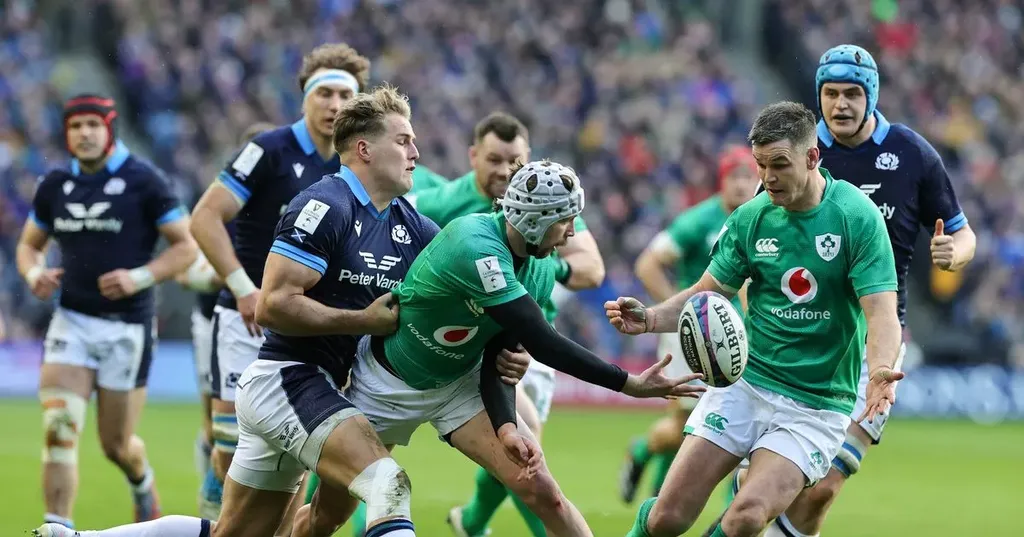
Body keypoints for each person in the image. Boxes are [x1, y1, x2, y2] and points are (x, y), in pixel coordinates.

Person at [30, 84, 437, 537]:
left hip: (308, 386)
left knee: (236, 533)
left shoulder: (411, 225)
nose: (416, 151)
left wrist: (505, 344)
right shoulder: (324, 203)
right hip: (290, 379)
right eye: (403, 140)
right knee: (388, 484)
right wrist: (362, 321)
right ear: (364, 148)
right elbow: (272, 305)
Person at [311, 158, 703, 537]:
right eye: (564, 220)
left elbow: (501, 353)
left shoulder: (541, 267)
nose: (571, 233)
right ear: (535, 221)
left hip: (456, 388)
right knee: (323, 520)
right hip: (385, 384)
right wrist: (628, 383)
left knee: (544, 492)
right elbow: (541, 341)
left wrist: (506, 426)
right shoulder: (474, 243)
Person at [606, 101, 905, 537]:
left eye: (779, 165)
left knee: (746, 516)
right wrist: (649, 318)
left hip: (816, 405)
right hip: (745, 385)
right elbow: (706, 293)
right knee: (667, 518)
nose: (767, 178)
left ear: (812, 157)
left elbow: (881, 312)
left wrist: (880, 370)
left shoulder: (856, 218)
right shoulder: (751, 217)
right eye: (761, 165)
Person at [744, 44, 976, 537]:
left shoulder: (913, 154)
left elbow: (963, 232)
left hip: (877, 340)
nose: (841, 104)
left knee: (827, 483)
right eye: (830, 93)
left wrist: (952, 254)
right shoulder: (802, 154)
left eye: (852, 93)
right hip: (799, 337)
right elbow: (756, 237)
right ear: (819, 96)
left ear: (871, 95)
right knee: (770, 484)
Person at [188, 42, 369, 521]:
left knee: (295, 463)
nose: (334, 105)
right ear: (304, 97)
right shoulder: (268, 149)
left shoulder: (356, 166)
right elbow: (206, 217)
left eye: (344, 96)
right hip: (244, 321)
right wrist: (244, 288)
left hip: (309, 334)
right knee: (231, 455)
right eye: (324, 93)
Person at [409, 112, 606, 537]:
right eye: (493, 159)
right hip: (450, 341)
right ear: (473, 156)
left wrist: (538, 266)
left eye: (512, 159)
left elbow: (591, 269)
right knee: (524, 439)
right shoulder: (442, 205)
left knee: (522, 446)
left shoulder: (549, 202)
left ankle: (474, 521)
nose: (503, 169)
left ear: (527, 158)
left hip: (523, 341)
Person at [18, 94, 197, 529]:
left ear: (109, 129)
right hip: (72, 322)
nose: (84, 133)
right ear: (67, 133)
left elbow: (187, 246)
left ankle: (141, 480)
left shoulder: (145, 181)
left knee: (116, 445)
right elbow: (28, 246)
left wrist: (139, 277)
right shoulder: (56, 183)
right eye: (76, 126)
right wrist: (34, 273)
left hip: (127, 328)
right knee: (59, 428)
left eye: (93, 125)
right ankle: (56, 527)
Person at [619, 145, 758, 504]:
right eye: (735, 177)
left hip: (737, 336)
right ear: (721, 182)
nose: (743, 185)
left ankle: (669, 498)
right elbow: (648, 263)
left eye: (749, 177)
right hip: (693, 336)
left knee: (729, 422)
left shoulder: (762, 219)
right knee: (687, 427)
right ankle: (642, 452)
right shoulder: (699, 220)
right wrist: (682, 314)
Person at [175, 121, 276, 516]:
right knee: (217, 426)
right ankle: (213, 507)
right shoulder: (224, 206)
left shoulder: (290, 203)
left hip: (270, 321)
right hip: (217, 322)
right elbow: (187, 273)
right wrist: (231, 275)